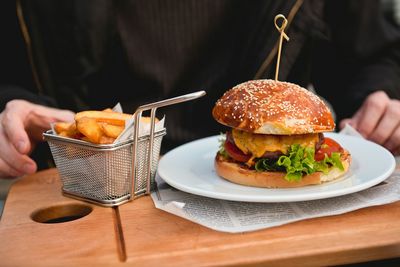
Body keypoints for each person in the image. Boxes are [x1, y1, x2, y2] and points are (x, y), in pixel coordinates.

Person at [0, 0, 399, 178]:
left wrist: (384, 94)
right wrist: (9, 107)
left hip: (279, 221)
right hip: (93, 185)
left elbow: (374, 53)